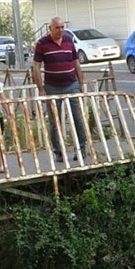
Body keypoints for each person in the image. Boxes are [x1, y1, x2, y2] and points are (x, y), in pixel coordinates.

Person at [33, 17, 86, 163]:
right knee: (54, 121)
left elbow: (76, 62)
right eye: (57, 27)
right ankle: (59, 151)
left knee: (77, 117)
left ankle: (81, 148)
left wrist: (81, 82)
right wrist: (40, 88)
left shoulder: (69, 40)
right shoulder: (42, 43)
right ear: (50, 28)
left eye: (62, 27)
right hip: (52, 87)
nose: (60, 30)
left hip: (71, 84)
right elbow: (36, 66)